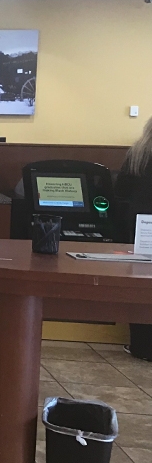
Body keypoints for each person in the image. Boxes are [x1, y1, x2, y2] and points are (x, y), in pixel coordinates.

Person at [114, 115, 152, 361]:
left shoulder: (138, 154)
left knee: (141, 286)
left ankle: (141, 346)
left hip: (141, 226)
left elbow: (121, 192)